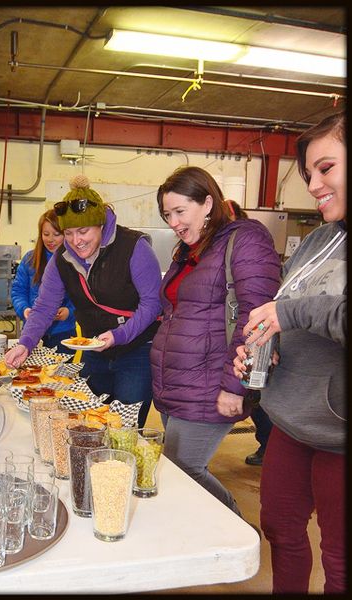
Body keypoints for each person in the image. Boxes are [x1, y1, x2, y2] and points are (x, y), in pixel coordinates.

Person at [233, 111, 346, 593]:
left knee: (340, 559)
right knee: (279, 529)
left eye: (326, 168)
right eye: (308, 175)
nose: (314, 184)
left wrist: (291, 316)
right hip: (290, 420)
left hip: (339, 433)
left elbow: (301, 311)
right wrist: (264, 346)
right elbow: (285, 308)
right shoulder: (318, 240)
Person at [150, 166, 281, 516]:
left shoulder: (246, 239)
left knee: (186, 468)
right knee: (176, 469)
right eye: (167, 214)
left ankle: (235, 534)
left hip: (211, 383)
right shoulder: (189, 250)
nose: (174, 222)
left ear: (208, 202)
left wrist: (235, 386)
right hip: (177, 384)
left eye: (180, 211)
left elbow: (257, 320)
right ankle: (204, 541)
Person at [4, 174, 163, 427]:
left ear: (100, 224)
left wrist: (119, 335)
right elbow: (45, 307)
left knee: (125, 428)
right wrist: (25, 343)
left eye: (83, 231)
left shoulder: (134, 248)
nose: (76, 241)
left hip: (136, 350)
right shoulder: (61, 259)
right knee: (91, 423)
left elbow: (152, 304)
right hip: (95, 351)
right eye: (68, 233)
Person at [225, 199, 274, 466]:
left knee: (258, 397)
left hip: (255, 339)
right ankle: (267, 445)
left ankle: (268, 445)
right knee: (256, 400)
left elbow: (256, 305)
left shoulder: (248, 242)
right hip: (242, 338)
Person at [11, 209, 76, 354]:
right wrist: (24, 309)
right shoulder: (30, 259)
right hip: (33, 333)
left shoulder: (74, 261)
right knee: (31, 375)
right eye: (46, 234)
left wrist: (69, 311)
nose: (50, 239)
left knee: (60, 375)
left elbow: (82, 296)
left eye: (56, 234)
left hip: (63, 334)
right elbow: (18, 291)